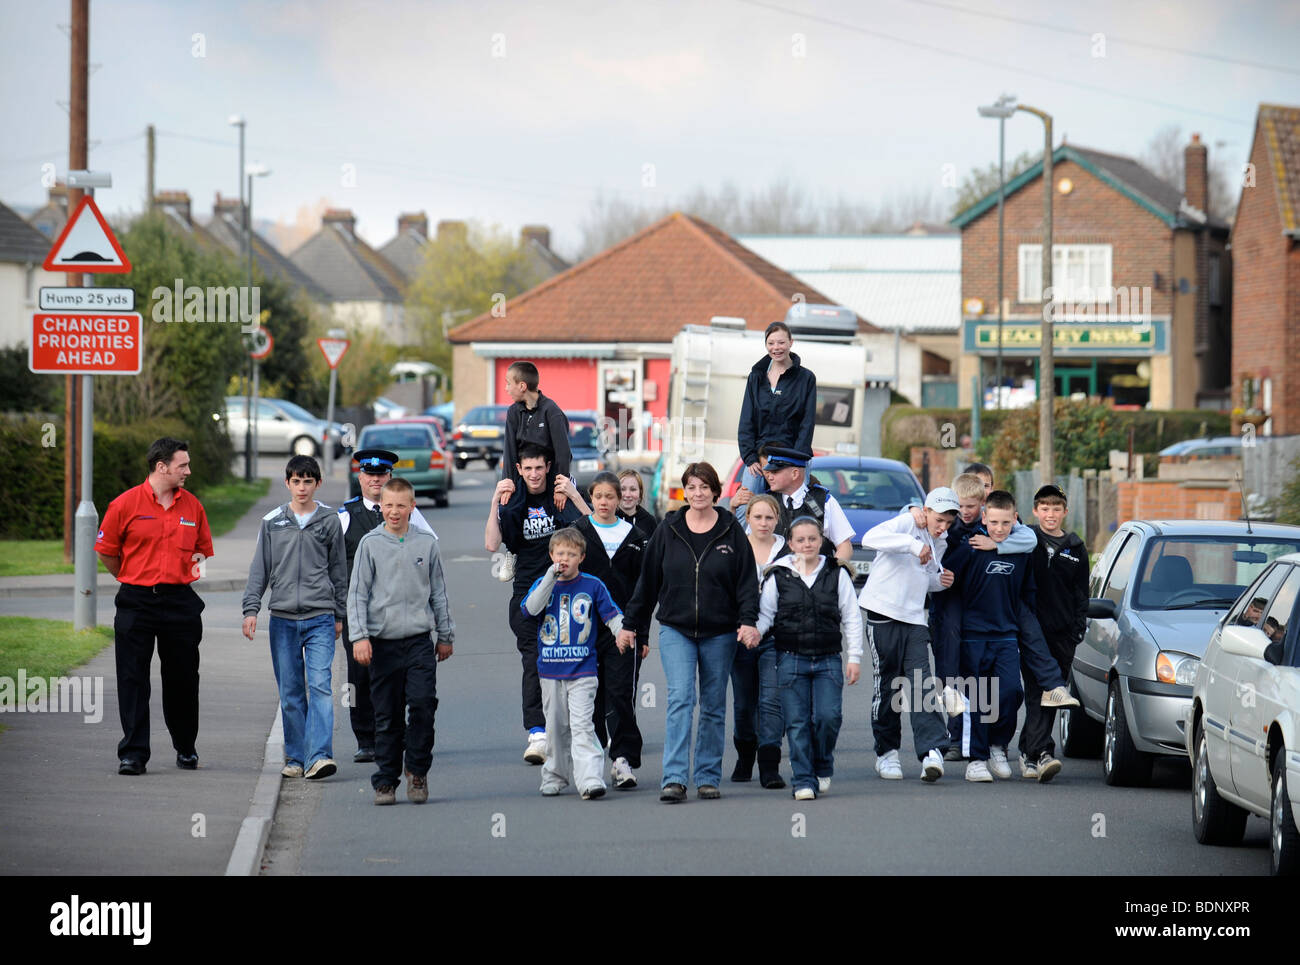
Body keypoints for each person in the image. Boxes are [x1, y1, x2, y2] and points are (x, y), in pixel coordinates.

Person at [618, 462, 760, 803]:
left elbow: (746, 583)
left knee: (712, 705)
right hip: (676, 629)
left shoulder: (730, 531)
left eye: (704, 487)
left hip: (721, 632)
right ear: (685, 492)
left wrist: (748, 620)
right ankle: (675, 778)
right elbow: (648, 582)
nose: (698, 493)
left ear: (715, 491)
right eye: (692, 487)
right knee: (681, 698)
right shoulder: (669, 529)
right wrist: (631, 626)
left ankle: (708, 776)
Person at [96, 437, 213, 775]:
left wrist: (176, 576)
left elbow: (201, 553)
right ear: (162, 467)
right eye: (183, 465)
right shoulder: (124, 504)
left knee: (183, 679)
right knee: (132, 678)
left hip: (180, 603)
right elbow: (107, 550)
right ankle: (133, 753)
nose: (188, 471)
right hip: (136, 601)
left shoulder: (193, 507)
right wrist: (133, 576)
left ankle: (186, 747)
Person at [943, 490, 1068, 782]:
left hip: (1006, 636)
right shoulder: (969, 547)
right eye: (994, 522)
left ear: (1015, 520)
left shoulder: (1020, 552)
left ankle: (998, 745)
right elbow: (946, 583)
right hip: (973, 637)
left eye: (1005, 523)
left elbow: (1028, 592)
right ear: (984, 518)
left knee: (1011, 692)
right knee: (977, 698)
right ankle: (976, 759)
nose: (999, 529)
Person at [348, 477, 454, 805]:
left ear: (412, 507)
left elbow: (438, 591)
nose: (394, 512)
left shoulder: (426, 543)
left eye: (400, 505)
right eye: (388, 505)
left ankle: (417, 772)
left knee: (423, 706)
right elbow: (357, 594)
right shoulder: (370, 544)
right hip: (382, 643)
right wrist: (360, 637)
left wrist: (445, 634)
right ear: (381, 507)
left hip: (420, 641)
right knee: (387, 715)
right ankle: (385, 780)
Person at [242, 455, 348, 780]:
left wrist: (339, 614)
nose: (302, 487)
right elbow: (260, 569)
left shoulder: (329, 521)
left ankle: (319, 756)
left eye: (308, 481)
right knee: (290, 690)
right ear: (287, 483)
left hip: (320, 616)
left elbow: (339, 571)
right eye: (296, 481)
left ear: (317, 484)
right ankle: (296, 757)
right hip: (283, 619)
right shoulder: (272, 522)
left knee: (319, 685)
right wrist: (251, 609)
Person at [485, 443, 587, 765]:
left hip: (565, 596)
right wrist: (493, 502)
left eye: (539, 468)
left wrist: (573, 494)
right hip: (527, 595)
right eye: (527, 469)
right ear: (519, 469)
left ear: (547, 467)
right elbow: (490, 543)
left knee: (571, 662)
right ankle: (537, 733)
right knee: (534, 660)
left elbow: (593, 529)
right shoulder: (513, 501)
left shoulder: (559, 498)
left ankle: (577, 729)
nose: (533, 474)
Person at [337, 448, 437, 764]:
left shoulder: (408, 513)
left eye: (381, 475)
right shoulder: (344, 516)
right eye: (369, 474)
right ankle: (366, 739)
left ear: (389, 477)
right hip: (358, 611)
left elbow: (429, 550)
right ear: (360, 477)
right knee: (360, 677)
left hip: (398, 611)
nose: (375, 480)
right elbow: (331, 563)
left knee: (398, 676)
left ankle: (396, 734)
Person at [758, 516, 862, 800]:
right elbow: (766, 615)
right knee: (797, 721)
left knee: (828, 717)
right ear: (790, 544)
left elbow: (852, 617)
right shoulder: (777, 575)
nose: (807, 544)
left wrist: (854, 657)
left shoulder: (835, 572)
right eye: (800, 540)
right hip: (790, 659)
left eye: (812, 539)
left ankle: (822, 763)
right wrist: (753, 633)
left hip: (828, 658)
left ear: (822, 542)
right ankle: (803, 779)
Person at [860, 487, 958, 782]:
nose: (942, 528)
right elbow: (869, 539)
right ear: (925, 511)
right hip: (882, 612)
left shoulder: (941, 541)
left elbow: (924, 577)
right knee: (888, 685)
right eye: (939, 520)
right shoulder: (907, 522)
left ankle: (931, 751)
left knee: (921, 684)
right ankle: (886, 753)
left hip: (915, 617)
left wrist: (940, 582)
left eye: (948, 523)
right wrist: (913, 545)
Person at [523, 527, 625, 799]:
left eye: (571, 553)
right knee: (555, 727)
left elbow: (611, 614)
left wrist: (622, 633)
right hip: (550, 671)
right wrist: (548, 578)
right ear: (551, 555)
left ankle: (590, 778)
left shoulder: (592, 585)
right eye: (559, 553)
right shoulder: (543, 583)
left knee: (582, 725)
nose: (564, 558)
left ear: (581, 556)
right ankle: (555, 776)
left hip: (583, 670)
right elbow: (531, 609)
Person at [573, 472, 650, 789]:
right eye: (598, 496)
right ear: (591, 498)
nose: (604, 502)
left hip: (624, 631)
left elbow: (644, 590)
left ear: (620, 500)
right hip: (585, 632)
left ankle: (623, 760)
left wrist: (640, 633)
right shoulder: (578, 533)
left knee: (620, 694)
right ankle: (589, 762)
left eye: (610, 497)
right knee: (589, 697)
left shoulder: (637, 538)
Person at [1019, 483, 1089, 782]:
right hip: (1032, 633)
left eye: (1056, 509)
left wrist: (1076, 631)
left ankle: (1030, 752)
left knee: (1053, 694)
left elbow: (1081, 595)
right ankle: (1042, 752)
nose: (1050, 514)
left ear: (1065, 512)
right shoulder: (1027, 538)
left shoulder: (1076, 548)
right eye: (1044, 508)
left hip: (1063, 636)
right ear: (1035, 511)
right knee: (1038, 692)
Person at [729, 493, 788, 788]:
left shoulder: (787, 551)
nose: (763, 523)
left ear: (777, 520)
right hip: (740, 635)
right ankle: (744, 756)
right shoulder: (737, 546)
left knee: (770, 701)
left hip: (776, 637)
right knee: (743, 703)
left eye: (769, 517)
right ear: (748, 518)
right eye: (757, 517)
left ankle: (769, 764)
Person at [737, 321, 817, 501]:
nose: (776, 348)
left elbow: (807, 422)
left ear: (791, 342)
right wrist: (750, 458)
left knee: (796, 507)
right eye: (771, 343)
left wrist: (796, 461)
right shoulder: (756, 377)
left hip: (793, 457)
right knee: (744, 507)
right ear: (766, 345)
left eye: (781, 342)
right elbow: (746, 420)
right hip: (759, 458)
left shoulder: (806, 378)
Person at [736, 446, 855, 562]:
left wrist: (830, 575)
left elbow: (844, 546)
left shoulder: (823, 501)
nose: (769, 476)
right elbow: (751, 544)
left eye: (775, 471)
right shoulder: (767, 502)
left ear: (795, 474)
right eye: (769, 471)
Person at [501, 360, 571, 497]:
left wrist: (561, 490)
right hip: (523, 481)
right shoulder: (513, 412)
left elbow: (563, 454)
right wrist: (507, 486)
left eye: (508, 383)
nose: (506, 388)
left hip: (551, 482)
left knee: (567, 514)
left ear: (522, 386)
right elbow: (509, 452)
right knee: (506, 512)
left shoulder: (552, 411)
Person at [616, 468, 658, 536]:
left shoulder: (649, 522)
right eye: (622, 489)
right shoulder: (609, 519)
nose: (627, 494)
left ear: (640, 493)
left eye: (633, 489)